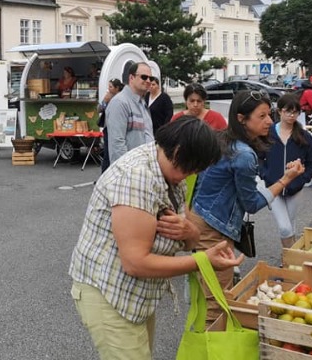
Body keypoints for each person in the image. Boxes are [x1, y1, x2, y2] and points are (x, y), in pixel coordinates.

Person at [69, 117, 244, 360]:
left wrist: (190, 233)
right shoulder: (136, 178)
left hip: (137, 296)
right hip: (109, 294)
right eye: (191, 168)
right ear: (179, 151)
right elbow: (135, 263)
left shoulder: (170, 171)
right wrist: (203, 261)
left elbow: (190, 235)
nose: (190, 176)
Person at [188, 90, 305, 324]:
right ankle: (214, 349)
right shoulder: (243, 154)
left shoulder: (222, 139)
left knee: (203, 295)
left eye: (269, 115)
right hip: (214, 230)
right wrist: (285, 180)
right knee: (217, 303)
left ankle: (200, 342)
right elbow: (251, 203)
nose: (269, 121)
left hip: (199, 218)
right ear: (242, 119)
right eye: (261, 116)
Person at [264, 93, 312, 248]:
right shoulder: (268, 133)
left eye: (295, 112)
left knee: (291, 225)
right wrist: (265, 175)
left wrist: (302, 179)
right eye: (288, 111)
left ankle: (290, 259)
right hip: (274, 188)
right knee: (284, 227)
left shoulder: (304, 136)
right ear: (279, 111)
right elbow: (259, 157)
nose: (291, 115)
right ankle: (290, 258)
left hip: (295, 188)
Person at [104, 62, 154, 166]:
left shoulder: (142, 103)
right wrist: (127, 173)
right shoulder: (120, 103)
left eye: (151, 78)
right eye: (144, 77)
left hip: (144, 169)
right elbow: (117, 145)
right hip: (130, 172)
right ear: (131, 77)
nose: (148, 81)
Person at [98, 78, 124, 173]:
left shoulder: (121, 98)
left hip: (117, 127)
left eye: (111, 87)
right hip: (107, 127)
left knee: (115, 152)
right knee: (107, 153)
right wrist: (105, 101)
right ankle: (104, 175)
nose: (109, 89)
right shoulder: (108, 96)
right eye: (108, 86)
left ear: (117, 88)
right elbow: (99, 109)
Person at [143, 60, 173, 132]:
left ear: (158, 85)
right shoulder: (146, 96)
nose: (151, 86)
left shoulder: (164, 98)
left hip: (160, 129)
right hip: (148, 129)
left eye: (153, 84)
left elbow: (169, 114)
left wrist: (165, 129)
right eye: (150, 84)